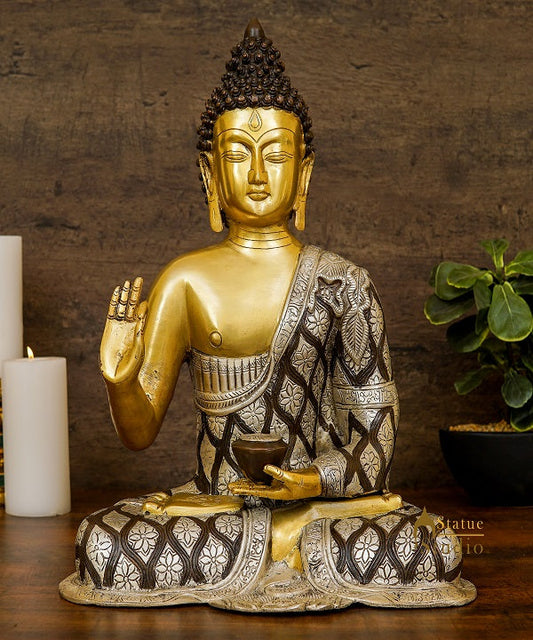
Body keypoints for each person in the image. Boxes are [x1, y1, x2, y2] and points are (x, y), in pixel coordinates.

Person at [60, 20, 475, 611]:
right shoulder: (185, 280)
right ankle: (282, 548)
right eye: (238, 155)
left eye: (276, 155)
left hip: (319, 507)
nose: (257, 175)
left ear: (303, 172)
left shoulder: (344, 285)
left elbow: (376, 441)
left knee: (429, 543)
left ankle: (288, 538)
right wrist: (120, 379)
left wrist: (313, 481)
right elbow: (139, 433)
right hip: (218, 508)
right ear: (209, 174)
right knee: (104, 543)